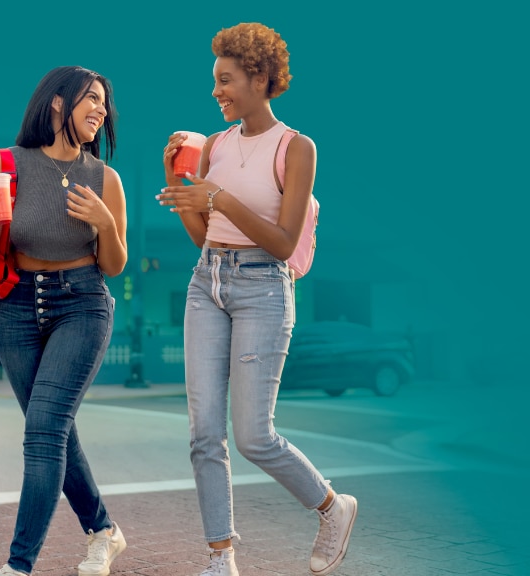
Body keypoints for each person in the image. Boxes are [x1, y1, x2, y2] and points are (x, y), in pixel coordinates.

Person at [156, 23, 358, 576]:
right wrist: (179, 181)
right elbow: (203, 234)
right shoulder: (215, 146)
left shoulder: (296, 148)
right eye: (215, 81)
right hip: (208, 280)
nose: (216, 91)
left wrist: (217, 194)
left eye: (225, 80)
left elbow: (283, 241)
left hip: (264, 288)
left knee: (253, 436)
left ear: (260, 78)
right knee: (203, 433)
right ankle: (221, 558)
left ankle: (332, 506)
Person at [0, 65, 128, 576]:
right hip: (17, 308)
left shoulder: (105, 178)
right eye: (92, 99)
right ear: (58, 103)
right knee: (54, 430)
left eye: (105, 103)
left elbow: (114, 265)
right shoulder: (7, 162)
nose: (102, 109)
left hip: (81, 303)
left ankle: (17, 567)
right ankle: (103, 530)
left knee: (43, 433)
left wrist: (104, 221)